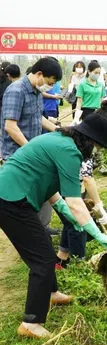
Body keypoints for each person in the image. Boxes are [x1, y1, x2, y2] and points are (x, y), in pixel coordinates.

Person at [0, 115, 107, 339]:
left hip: (12, 195)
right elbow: (75, 202)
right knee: (42, 261)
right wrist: (95, 232)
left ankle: (51, 293)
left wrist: (66, 214)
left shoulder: (58, 141)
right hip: (11, 200)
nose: (97, 152)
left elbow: (50, 186)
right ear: (90, 141)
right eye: (99, 146)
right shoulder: (70, 152)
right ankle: (31, 323)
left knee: (44, 247)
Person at [56, 101, 107, 269]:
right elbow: (87, 178)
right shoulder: (85, 140)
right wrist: (99, 205)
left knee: (70, 221)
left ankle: (61, 260)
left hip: (68, 184)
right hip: (63, 184)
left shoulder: (87, 135)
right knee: (77, 223)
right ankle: (78, 266)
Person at [0, 58, 64, 235]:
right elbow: (10, 127)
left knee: (42, 187)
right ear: (39, 74)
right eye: (49, 82)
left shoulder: (36, 91)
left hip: (32, 151)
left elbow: (38, 117)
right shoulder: (16, 91)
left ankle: (42, 228)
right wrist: (32, 149)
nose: (49, 87)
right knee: (22, 197)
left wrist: (58, 130)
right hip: (17, 154)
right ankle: (27, 234)